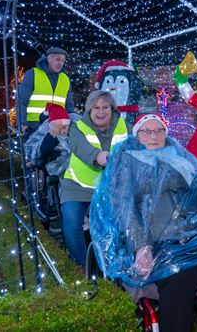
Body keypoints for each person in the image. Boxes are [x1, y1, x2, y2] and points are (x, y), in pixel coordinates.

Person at [90, 114, 197, 332]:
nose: (154, 135)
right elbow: (125, 208)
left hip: (196, 234)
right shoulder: (127, 160)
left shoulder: (180, 156)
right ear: (137, 135)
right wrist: (141, 246)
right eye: (147, 131)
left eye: (159, 130)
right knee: (181, 279)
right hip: (158, 240)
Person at [60, 90, 131, 271]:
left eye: (105, 107)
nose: (100, 112)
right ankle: (82, 264)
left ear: (112, 109)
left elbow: (137, 146)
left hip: (110, 187)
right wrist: (97, 156)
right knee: (71, 220)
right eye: (96, 108)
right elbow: (79, 146)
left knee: (117, 224)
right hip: (77, 185)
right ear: (89, 111)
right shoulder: (78, 127)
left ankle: (113, 264)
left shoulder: (125, 126)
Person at [16, 47, 75, 218]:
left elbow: (68, 104)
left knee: (56, 160)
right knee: (33, 161)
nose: (60, 63)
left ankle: (52, 198)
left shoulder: (65, 79)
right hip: (34, 126)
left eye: (63, 60)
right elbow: (22, 100)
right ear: (47, 58)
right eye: (57, 59)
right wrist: (22, 123)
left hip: (57, 126)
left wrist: (72, 123)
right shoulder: (33, 74)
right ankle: (32, 194)